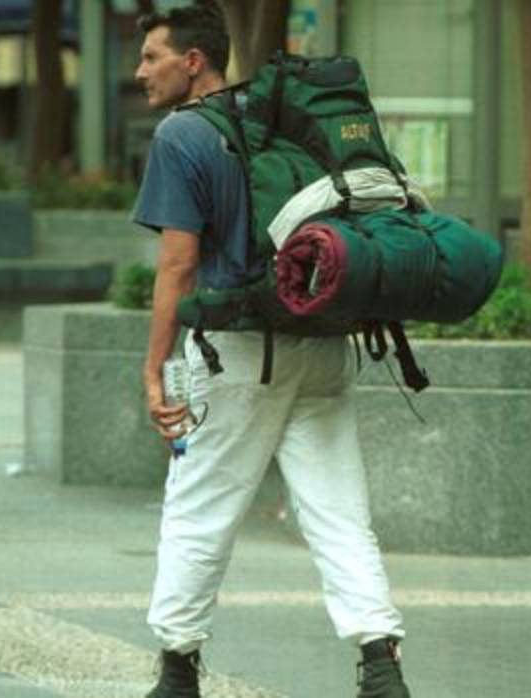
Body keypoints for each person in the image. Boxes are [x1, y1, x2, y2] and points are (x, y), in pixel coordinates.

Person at [132, 5, 410, 697]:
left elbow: (176, 267)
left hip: (235, 351)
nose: (139, 72)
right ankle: (380, 667)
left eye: (151, 57)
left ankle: (176, 670)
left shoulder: (182, 135)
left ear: (193, 61)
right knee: (339, 511)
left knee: (199, 510)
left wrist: (153, 368)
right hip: (320, 340)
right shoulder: (280, 121)